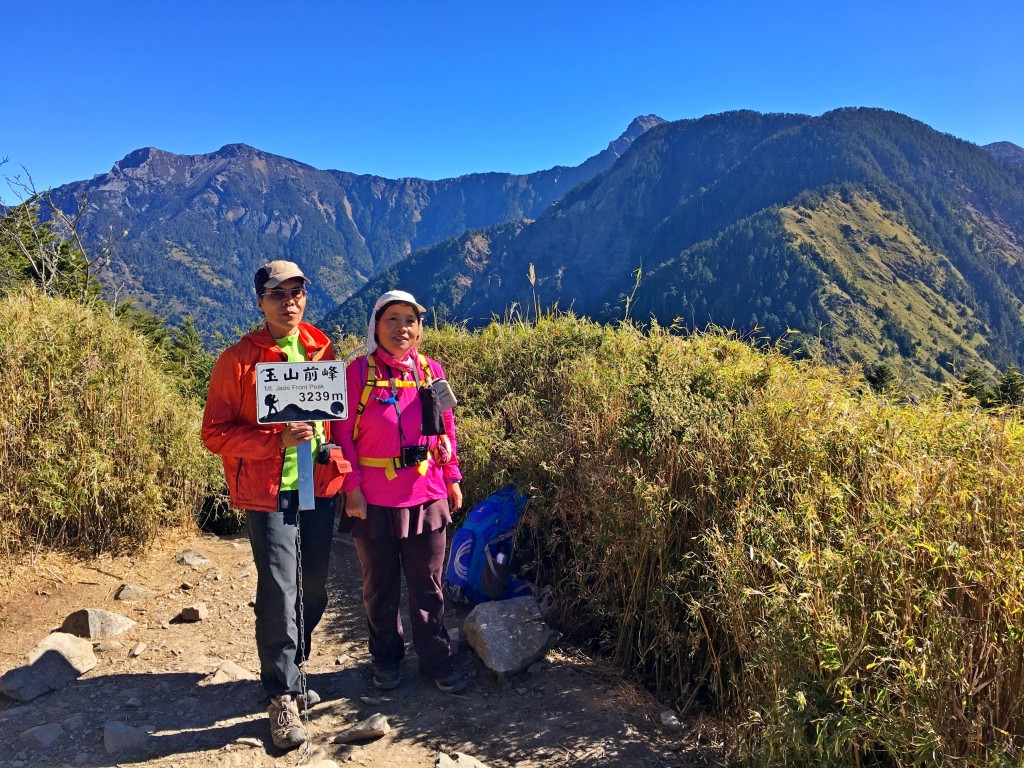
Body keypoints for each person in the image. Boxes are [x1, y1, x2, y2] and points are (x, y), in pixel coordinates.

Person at [201, 260, 338, 750]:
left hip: (319, 486)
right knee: (280, 587)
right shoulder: (237, 360)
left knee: (316, 585)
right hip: (268, 490)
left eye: (297, 291)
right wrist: (274, 439)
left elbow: (335, 420)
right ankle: (280, 692)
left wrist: (337, 452)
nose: (289, 301)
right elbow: (213, 434)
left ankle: (294, 666)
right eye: (277, 293)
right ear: (260, 301)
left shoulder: (322, 348)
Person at [337, 289, 467, 693]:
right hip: (373, 498)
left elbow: (446, 428)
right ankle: (386, 659)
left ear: (420, 328)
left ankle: (436, 660)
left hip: (427, 493)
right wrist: (351, 488)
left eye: (409, 320)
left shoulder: (430, 370)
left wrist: (452, 476)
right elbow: (341, 436)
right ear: (376, 325)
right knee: (380, 586)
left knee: (428, 585)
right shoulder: (355, 372)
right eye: (391, 319)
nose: (401, 328)